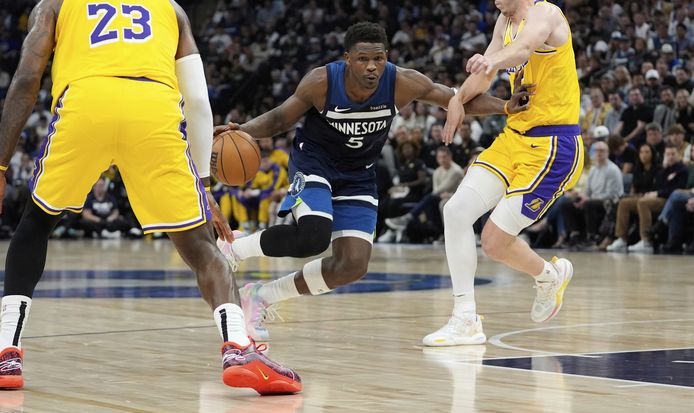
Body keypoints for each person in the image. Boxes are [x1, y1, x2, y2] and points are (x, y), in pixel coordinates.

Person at [0, 0, 300, 395]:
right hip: (154, 109)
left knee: (35, 225)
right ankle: (238, 346)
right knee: (200, 245)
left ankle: (5, 353)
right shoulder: (169, 7)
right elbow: (199, 103)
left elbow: (25, 77)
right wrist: (202, 187)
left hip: (87, 104)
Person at [214, 21, 532, 341]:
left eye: (378, 59)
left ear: (386, 57)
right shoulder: (322, 81)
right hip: (314, 163)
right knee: (313, 235)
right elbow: (280, 118)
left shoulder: (401, 82)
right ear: (347, 59)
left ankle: (261, 297)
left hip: (358, 175)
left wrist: (503, 106)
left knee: (351, 265)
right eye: (363, 59)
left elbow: (457, 99)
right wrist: (241, 129)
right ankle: (235, 248)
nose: (371, 67)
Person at [426, 0, 584, 347]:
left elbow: (521, 52)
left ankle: (548, 275)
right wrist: (458, 100)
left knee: (494, 242)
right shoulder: (504, 21)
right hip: (515, 137)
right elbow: (488, 73)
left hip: (554, 147)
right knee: (456, 212)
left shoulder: (548, 15)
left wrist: (488, 59)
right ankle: (465, 320)